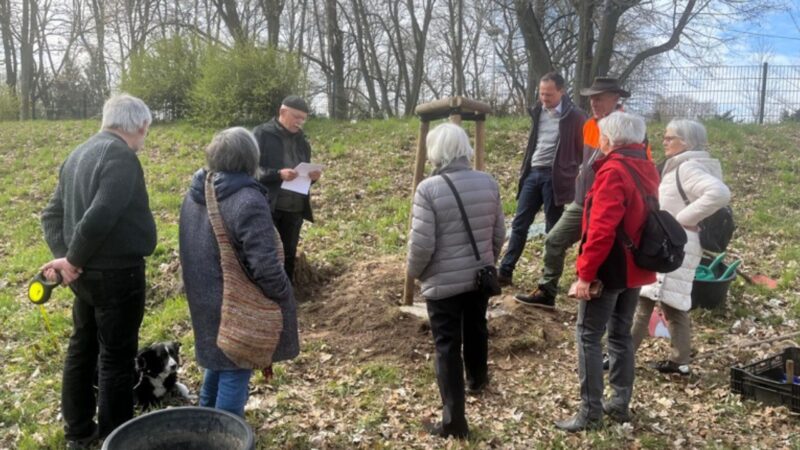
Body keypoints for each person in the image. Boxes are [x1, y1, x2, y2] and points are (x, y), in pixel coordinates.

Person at [40, 94, 157, 449]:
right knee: (116, 360)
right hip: (117, 275)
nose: (144, 138)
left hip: (87, 278)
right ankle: (116, 439)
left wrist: (67, 261)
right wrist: (71, 261)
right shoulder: (120, 156)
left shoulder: (78, 153)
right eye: (146, 131)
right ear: (139, 125)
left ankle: (78, 431)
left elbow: (50, 215)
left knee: (82, 348)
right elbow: (101, 214)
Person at [179, 127, 299, 417]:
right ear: (251, 159)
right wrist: (284, 294)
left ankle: (205, 429)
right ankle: (225, 434)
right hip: (234, 298)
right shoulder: (247, 199)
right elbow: (265, 267)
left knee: (218, 361)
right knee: (236, 366)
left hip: (203, 292)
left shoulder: (198, 190)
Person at [556, 111, 658, 432]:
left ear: (609, 140)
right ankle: (620, 402)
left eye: (600, 136)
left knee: (588, 335)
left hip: (610, 268)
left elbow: (601, 229)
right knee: (620, 335)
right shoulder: (647, 166)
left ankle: (590, 411)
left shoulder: (613, 171)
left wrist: (585, 274)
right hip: (636, 267)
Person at [516, 77, 650, 309]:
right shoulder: (589, 125)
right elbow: (582, 157)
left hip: (610, 204)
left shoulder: (628, 127)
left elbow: (642, 166)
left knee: (605, 253)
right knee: (554, 240)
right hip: (583, 201)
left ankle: (600, 302)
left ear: (615, 98)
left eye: (600, 98)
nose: (594, 102)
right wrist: (577, 175)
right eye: (591, 98)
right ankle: (547, 291)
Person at [407, 123, 505, 438]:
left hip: (443, 281)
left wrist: (416, 272)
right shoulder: (488, 182)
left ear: (436, 152)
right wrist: (487, 260)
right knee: (476, 326)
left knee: (447, 345)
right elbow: (499, 233)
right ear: (465, 148)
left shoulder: (428, 189)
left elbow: (422, 245)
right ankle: (478, 379)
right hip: (479, 276)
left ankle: (454, 423)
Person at [631, 119, 730, 376]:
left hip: (675, 243)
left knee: (645, 299)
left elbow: (719, 193)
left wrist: (680, 220)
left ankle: (623, 354)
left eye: (670, 137)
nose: (664, 141)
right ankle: (680, 361)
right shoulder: (686, 164)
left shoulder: (688, 167)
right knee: (674, 303)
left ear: (685, 142)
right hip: (679, 243)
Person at [498, 72, 585, 286]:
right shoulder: (538, 111)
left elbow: (583, 150)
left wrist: (572, 172)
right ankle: (505, 271)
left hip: (556, 178)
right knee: (520, 223)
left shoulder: (575, 117)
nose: (544, 98)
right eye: (541, 93)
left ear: (562, 91)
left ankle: (547, 280)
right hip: (533, 173)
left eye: (549, 94)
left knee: (552, 228)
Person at [253, 95, 320, 281]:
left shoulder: (303, 142)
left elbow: (303, 174)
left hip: (295, 208)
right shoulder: (261, 134)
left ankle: (287, 298)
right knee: (268, 255)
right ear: (282, 112)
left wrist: (312, 177)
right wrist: (277, 174)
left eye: (303, 119)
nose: (300, 122)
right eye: (296, 116)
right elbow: (250, 170)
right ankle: (265, 300)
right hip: (268, 206)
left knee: (289, 255)